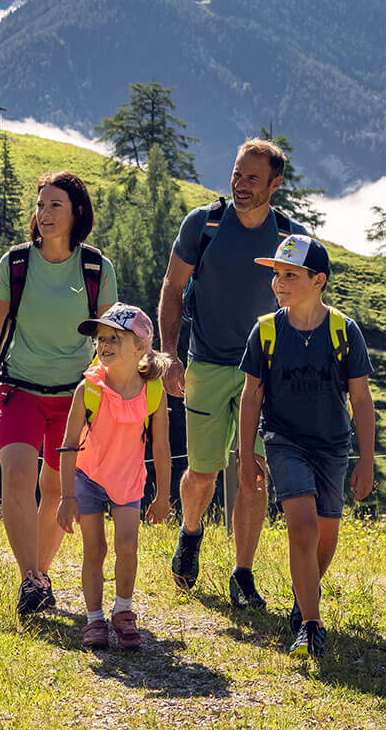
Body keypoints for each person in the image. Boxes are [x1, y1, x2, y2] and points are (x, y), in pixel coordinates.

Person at [157, 138, 304, 607]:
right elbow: (172, 287)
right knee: (202, 474)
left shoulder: (291, 238)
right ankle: (191, 531)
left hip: (264, 374)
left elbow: (306, 305)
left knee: (254, 473)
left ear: (274, 185)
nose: (240, 184)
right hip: (207, 364)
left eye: (252, 178)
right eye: (237, 174)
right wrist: (169, 354)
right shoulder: (204, 224)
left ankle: (242, 574)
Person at [0, 171, 119, 616]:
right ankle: (29, 577)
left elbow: (110, 341)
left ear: (76, 212)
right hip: (19, 390)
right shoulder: (15, 264)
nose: (44, 213)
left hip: (75, 398)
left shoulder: (96, 269)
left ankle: (40, 576)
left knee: (54, 487)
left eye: (55, 205)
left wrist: (112, 396)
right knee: (16, 475)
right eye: (40, 205)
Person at [237, 234, 376, 659]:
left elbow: (361, 398)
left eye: (290, 275)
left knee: (326, 537)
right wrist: (246, 453)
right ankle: (310, 627)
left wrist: (366, 459)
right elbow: (251, 395)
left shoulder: (344, 331)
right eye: (276, 274)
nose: (279, 283)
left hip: (333, 446)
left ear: (319, 281)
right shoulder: (265, 330)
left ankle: (304, 599)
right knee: (303, 526)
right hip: (284, 441)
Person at [55, 303, 173, 650]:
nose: (103, 344)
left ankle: (123, 612)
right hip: (88, 477)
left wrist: (163, 496)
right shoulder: (88, 389)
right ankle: (94, 619)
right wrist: (66, 496)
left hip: (128, 480)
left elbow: (161, 447)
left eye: (114, 338)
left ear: (140, 347)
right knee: (95, 549)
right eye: (101, 338)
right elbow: (69, 445)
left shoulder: (153, 392)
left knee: (127, 545)